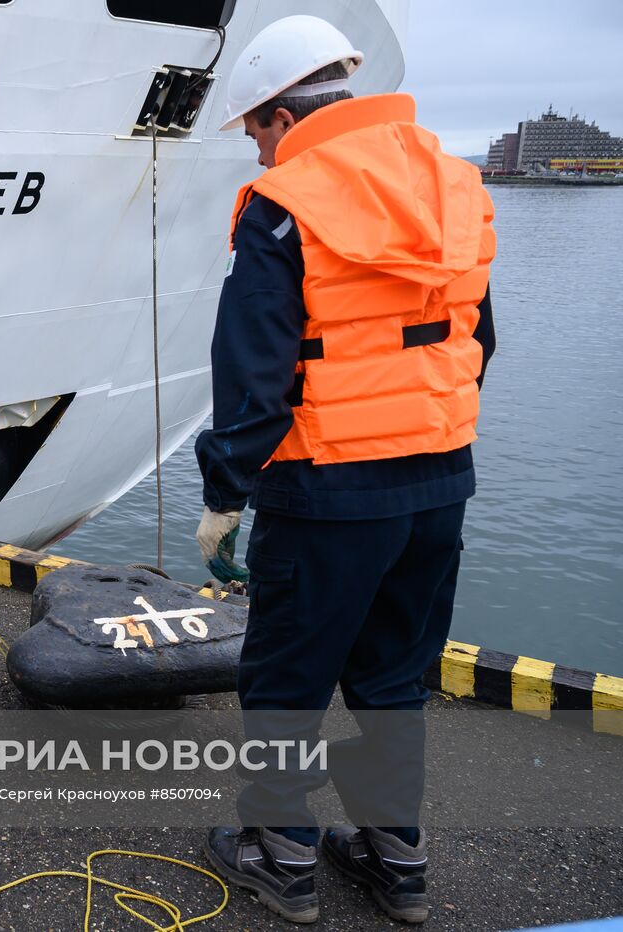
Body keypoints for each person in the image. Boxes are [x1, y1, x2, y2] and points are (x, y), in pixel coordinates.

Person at [192, 15, 496, 925]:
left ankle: (280, 858)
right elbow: (475, 336)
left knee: (286, 680)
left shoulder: (286, 207)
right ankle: (395, 858)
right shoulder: (456, 187)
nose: (253, 150)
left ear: (285, 115)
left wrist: (223, 495)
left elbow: (255, 376)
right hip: (441, 479)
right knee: (394, 677)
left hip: (328, 488)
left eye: (252, 128)